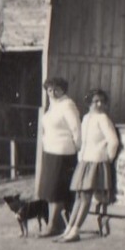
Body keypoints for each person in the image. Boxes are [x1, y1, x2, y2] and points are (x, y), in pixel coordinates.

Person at [60, 89, 122, 242]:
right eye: (96, 101)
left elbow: (113, 142)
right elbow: (83, 140)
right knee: (79, 196)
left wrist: (107, 157)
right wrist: (81, 157)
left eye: (102, 101)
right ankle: (68, 229)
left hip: (96, 161)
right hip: (85, 161)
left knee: (86, 196)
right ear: (89, 103)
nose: (99, 104)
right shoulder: (86, 118)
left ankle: (75, 231)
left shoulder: (103, 118)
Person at [37, 77, 82, 237]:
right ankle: (56, 223)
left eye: (57, 89)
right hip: (50, 151)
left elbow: (76, 129)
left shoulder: (67, 105)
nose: (53, 92)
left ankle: (52, 226)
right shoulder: (52, 106)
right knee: (49, 190)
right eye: (50, 89)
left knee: (56, 190)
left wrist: (77, 149)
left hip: (63, 152)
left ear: (63, 90)